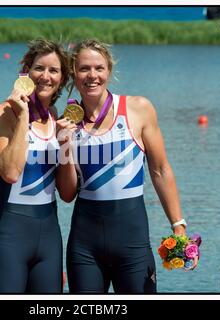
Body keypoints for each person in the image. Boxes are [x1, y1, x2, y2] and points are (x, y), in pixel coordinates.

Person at [56, 39, 197, 294]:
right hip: (84, 249)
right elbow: (66, 195)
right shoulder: (65, 123)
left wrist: (179, 226)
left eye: (99, 68)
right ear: (73, 75)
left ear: (108, 70)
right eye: (84, 68)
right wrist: (64, 145)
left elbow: (160, 170)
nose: (92, 75)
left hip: (133, 246)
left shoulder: (138, 109)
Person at [0, 39, 70, 293]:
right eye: (39, 68)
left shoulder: (55, 116)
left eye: (54, 71)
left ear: (62, 79)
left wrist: (67, 145)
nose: (46, 76)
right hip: (6, 235)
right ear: (26, 72)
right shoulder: (0, 114)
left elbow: (66, 192)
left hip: (49, 237)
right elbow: (10, 172)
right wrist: (24, 117)